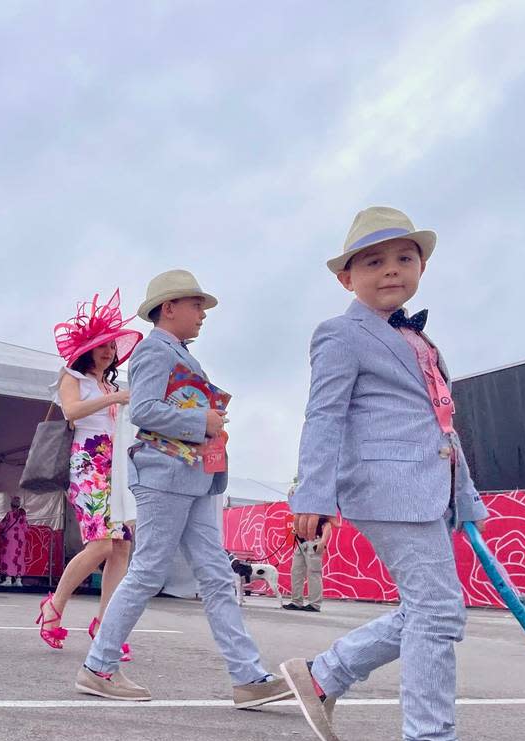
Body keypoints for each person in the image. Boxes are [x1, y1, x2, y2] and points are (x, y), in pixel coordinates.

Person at [282, 207, 522, 741]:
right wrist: (312, 493)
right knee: (439, 612)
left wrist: (464, 499)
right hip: (384, 488)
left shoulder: (423, 343)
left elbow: (444, 426)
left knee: (429, 609)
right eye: (373, 261)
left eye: (404, 258)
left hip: (432, 491)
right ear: (347, 277)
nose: (391, 270)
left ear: (422, 267)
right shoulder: (340, 333)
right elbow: (324, 414)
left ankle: (322, 676)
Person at [78, 270, 291, 710]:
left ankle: (248, 676)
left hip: (189, 475)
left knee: (214, 575)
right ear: (169, 308)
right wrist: (203, 422)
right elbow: (144, 409)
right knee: (150, 570)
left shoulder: (172, 351)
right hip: (166, 473)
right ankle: (98, 667)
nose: (203, 315)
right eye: (196, 306)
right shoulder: (155, 350)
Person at [35, 291, 141, 658]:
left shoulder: (114, 385)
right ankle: (55, 605)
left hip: (118, 466)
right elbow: (71, 412)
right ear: (87, 349)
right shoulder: (73, 377)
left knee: (122, 546)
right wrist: (113, 399)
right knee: (100, 544)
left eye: (112, 346)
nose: (108, 352)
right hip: (89, 463)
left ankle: (105, 626)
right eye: (102, 346)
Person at [283, 478, 325, 612]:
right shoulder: (299, 511)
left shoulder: (317, 506)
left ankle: (314, 604)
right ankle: (296, 601)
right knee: (296, 572)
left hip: (314, 542)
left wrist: (323, 542)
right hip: (301, 544)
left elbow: (327, 525)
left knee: (313, 573)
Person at [0, 496, 29, 585]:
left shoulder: (9, 514)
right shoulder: (23, 516)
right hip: (20, 539)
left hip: (10, 538)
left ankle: (8, 579)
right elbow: (26, 529)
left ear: (11, 505)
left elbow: (2, 525)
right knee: (19, 558)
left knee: (8, 557)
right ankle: (18, 580)